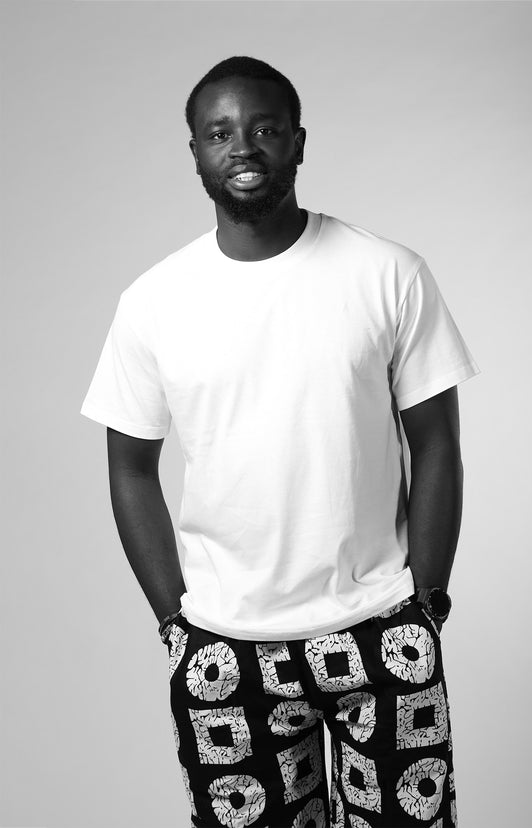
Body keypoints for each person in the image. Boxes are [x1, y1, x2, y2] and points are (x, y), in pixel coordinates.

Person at [80, 55, 480, 828]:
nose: (243, 148)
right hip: (225, 649)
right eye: (219, 132)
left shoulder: (387, 273)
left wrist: (424, 604)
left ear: (299, 143)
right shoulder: (153, 303)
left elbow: (436, 445)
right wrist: (178, 625)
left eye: (264, 129)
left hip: (380, 630)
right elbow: (130, 469)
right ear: (194, 152)